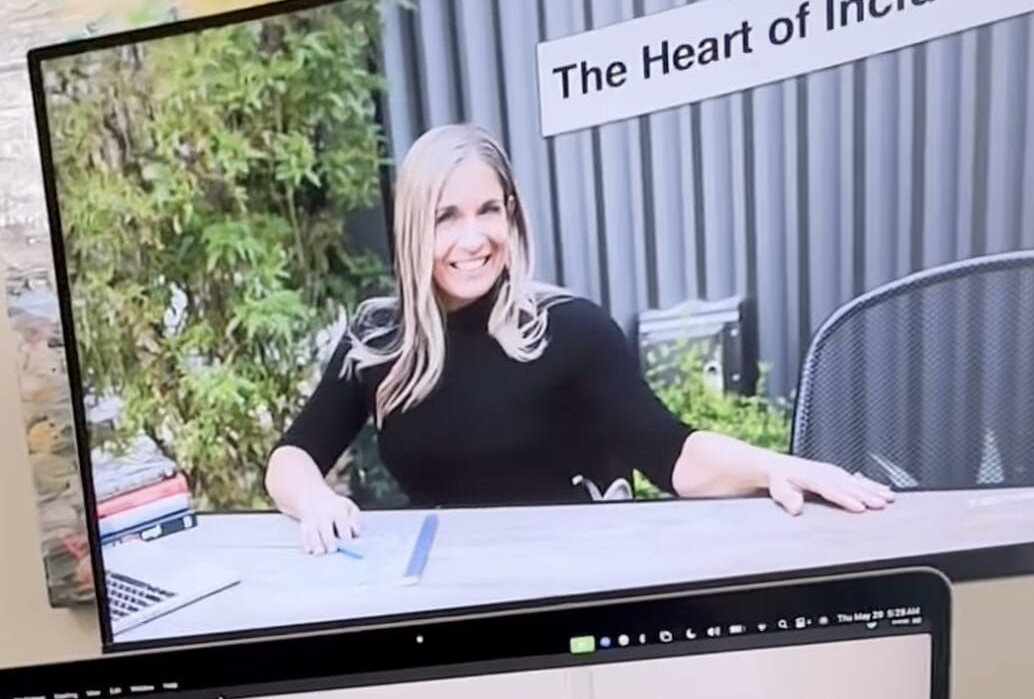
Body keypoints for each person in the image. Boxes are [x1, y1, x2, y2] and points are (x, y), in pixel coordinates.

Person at [265, 122, 893, 553]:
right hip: (449, 587)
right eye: (446, 218)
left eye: (490, 210)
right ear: (411, 231)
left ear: (512, 213)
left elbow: (672, 455)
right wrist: (315, 500)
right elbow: (291, 459)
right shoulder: (379, 339)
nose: (474, 239)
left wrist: (773, 465)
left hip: (573, 578)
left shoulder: (570, 329)